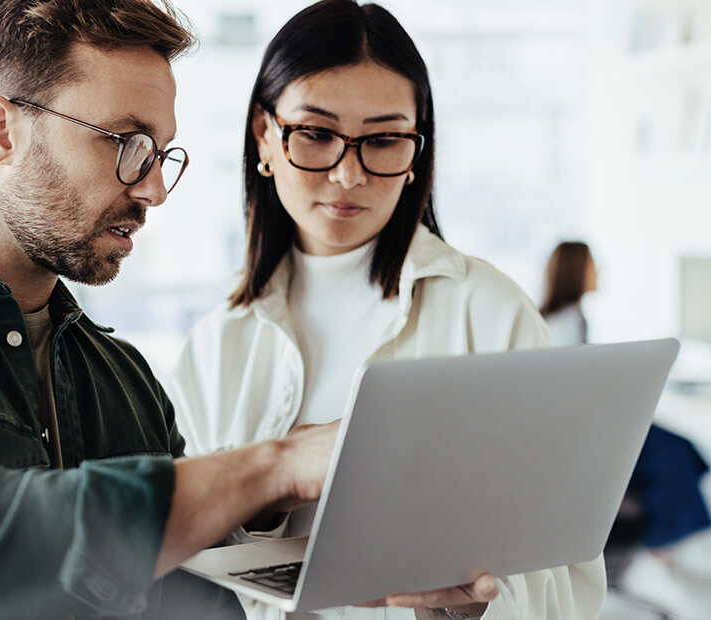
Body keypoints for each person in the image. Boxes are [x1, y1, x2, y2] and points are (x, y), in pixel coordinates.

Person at [0, 1, 346, 617]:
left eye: (161, 153)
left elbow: (201, 603)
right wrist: (273, 467)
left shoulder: (128, 379)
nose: (154, 189)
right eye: (128, 143)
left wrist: (392, 567)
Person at [165, 2, 607, 619]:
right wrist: (259, 494)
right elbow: (177, 571)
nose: (348, 175)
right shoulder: (216, 347)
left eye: (383, 140)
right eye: (316, 133)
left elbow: (569, 581)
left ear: (416, 150)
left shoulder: (490, 312)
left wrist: (469, 609)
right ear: (265, 134)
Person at [539, 241, 711, 617]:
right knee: (672, 456)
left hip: (587, 433)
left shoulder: (569, 318)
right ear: (576, 272)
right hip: (580, 443)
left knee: (681, 450)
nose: (599, 272)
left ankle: (665, 551)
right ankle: (660, 553)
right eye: (593, 266)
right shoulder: (564, 325)